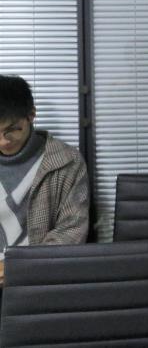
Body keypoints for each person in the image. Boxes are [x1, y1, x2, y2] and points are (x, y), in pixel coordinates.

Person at [0, 74, 90, 287]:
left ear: (31, 115)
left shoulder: (66, 161)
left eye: (11, 130)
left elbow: (72, 230)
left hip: (39, 280)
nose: (3, 141)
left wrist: (19, 267)